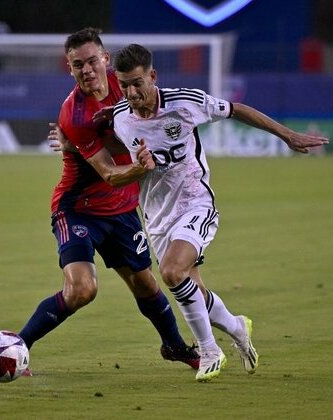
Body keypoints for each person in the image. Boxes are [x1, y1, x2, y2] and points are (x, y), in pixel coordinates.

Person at [96, 43, 328, 381]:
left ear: (153, 76)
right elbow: (106, 143)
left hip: (195, 202)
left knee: (173, 273)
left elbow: (236, 109)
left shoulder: (184, 102)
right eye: (125, 84)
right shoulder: (119, 117)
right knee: (194, 290)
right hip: (157, 216)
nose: (132, 92)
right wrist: (69, 140)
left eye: (137, 82)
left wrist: (286, 135)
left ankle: (209, 351)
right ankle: (237, 327)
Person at [18, 29, 200, 371]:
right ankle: (16, 346)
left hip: (122, 209)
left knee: (145, 284)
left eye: (91, 61)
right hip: (78, 210)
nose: (86, 70)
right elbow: (110, 173)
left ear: (105, 59)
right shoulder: (73, 115)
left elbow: (157, 121)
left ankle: (174, 346)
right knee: (82, 290)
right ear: (69, 69)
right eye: (77, 65)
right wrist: (142, 165)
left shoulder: (127, 86)